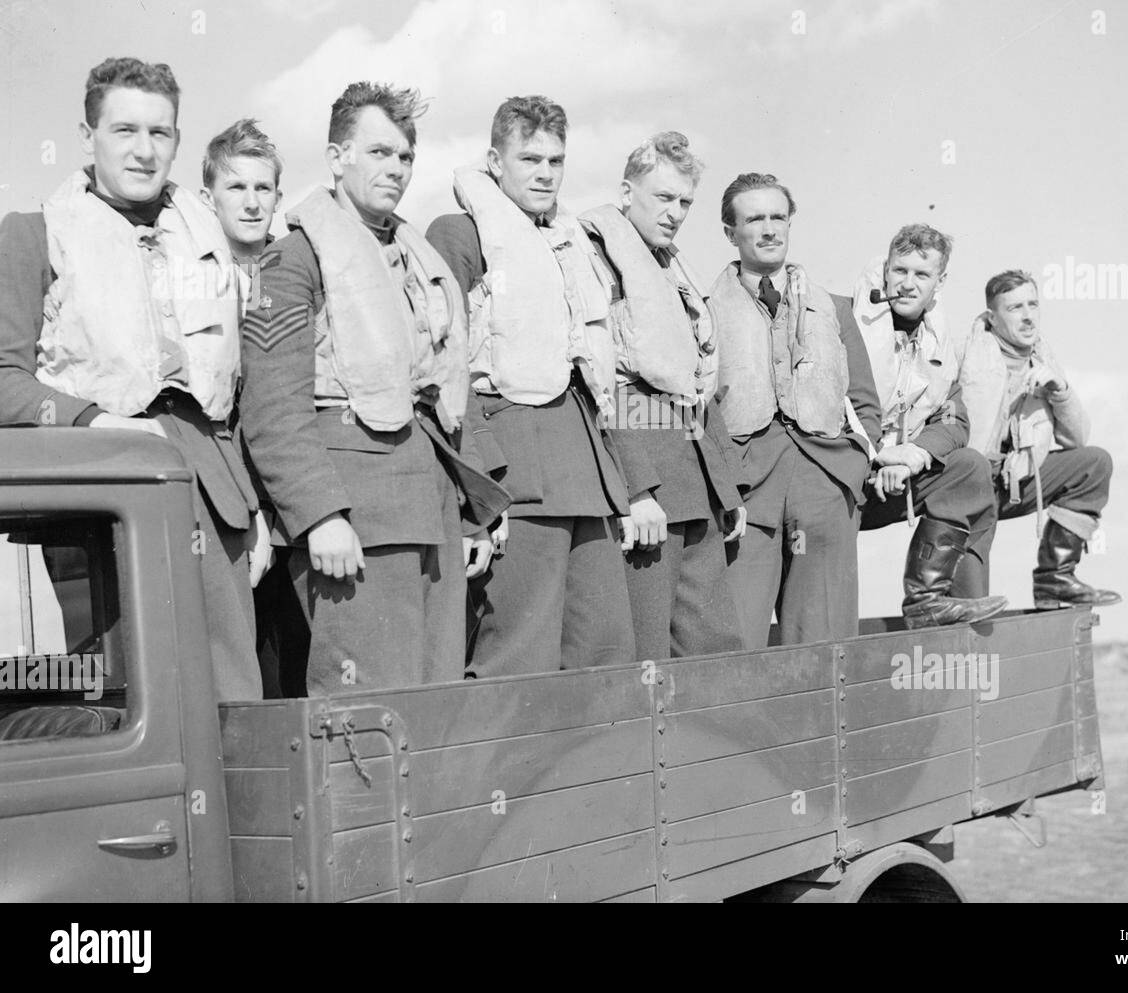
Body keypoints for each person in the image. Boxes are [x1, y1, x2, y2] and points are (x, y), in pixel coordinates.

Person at [0, 57, 266, 699]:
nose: (145, 151)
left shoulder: (212, 236)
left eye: (160, 133)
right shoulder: (32, 234)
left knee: (230, 693)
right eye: (124, 131)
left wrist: (253, 509)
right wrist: (97, 420)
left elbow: (235, 389)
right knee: (125, 695)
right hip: (101, 491)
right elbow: (4, 378)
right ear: (86, 135)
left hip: (214, 493)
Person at [238, 82, 508, 695]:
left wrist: (470, 515)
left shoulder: (414, 258)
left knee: (434, 694)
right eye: (379, 152)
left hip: (430, 503)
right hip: (355, 516)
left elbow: (441, 391)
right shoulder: (293, 260)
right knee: (364, 702)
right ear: (338, 159)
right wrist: (319, 516)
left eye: (406, 156)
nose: (396, 169)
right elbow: (272, 407)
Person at [426, 95, 637, 678]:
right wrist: (479, 498)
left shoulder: (570, 242)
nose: (545, 173)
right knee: (518, 655)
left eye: (555, 160)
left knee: (605, 651)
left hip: (585, 474)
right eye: (529, 159)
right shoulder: (459, 234)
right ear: (495, 161)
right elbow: (443, 368)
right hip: (514, 473)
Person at [580, 133, 747, 661]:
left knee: (713, 649)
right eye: (662, 198)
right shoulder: (597, 258)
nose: (675, 213)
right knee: (646, 652)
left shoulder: (672, 268)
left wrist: (726, 487)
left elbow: (696, 382)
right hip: (648, 485)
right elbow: (602, 382)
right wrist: (636, 489)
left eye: (685, 202)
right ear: (627, 192)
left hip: (695, 480)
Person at [709, 172, 879, 648]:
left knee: (825, 647)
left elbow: (864, 401)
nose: (768, 229)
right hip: (745, 491)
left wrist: (858, 461)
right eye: (754, 218)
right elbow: (696, 406)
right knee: (736, 642)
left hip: (825, 484)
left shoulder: (835, 307)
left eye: (778, 217)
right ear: (730, 233)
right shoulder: (704, 309)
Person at [199, 118, 308, 696]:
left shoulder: (296, 270)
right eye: (236, 188)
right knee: (241, 675)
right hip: (228, 503)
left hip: (294, 508)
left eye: (263, 188)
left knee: (299, 668)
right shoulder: (192, 278)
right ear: (207, 198)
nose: (250, 202)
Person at [853, 224, 1008, 629]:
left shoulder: (938, 343)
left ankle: (928, 602)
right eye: (899, 271)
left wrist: (912, 456)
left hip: (896, 479)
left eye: (921, 275)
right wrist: (878, 453)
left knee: (970, 466)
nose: (907, 284)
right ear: (885, 270)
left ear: (940, 281)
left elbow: (955, 421)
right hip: (843, 478)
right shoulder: (847, 324)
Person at [953, 269, 1120, 608]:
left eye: (1033, 304)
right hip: (969, 486)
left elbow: (1076, 439)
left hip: (1019, 479)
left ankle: (1054, 579)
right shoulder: (964, 355)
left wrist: (1060, 390)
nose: (1028, 316)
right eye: (1015, 308)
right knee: (971, 607)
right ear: (992, 317)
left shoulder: (1042, 356)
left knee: (1094, 463)